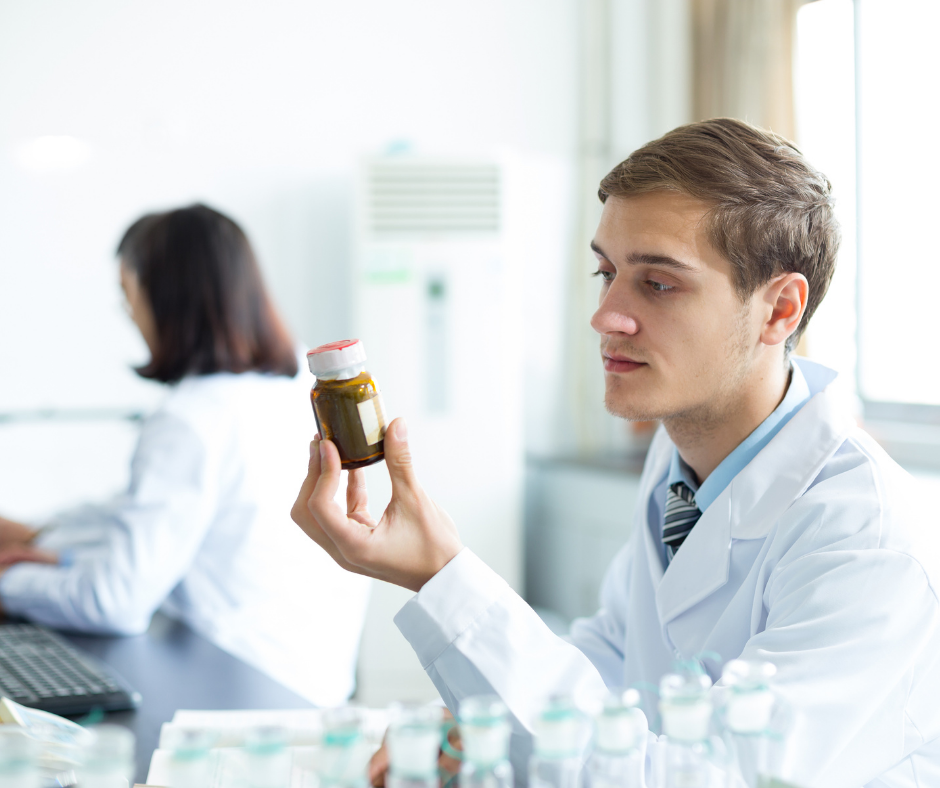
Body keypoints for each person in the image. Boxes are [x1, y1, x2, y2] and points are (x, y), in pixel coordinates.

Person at [291, 119, 940, 785]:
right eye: (607, 272)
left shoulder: (866, 543)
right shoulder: (683, 458)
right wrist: (477, 718)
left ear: (779, 311)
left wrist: (443, 576)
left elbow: (699, 778)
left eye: (658, 283)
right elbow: (618, 655)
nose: (606, 315)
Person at [0, 204, 371, 706]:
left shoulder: (191, 417)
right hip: (316, 686)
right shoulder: (297, 387)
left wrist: (12, 578)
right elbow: (147, 512)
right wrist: (46, 534)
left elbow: (115, 601)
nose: (130, 315)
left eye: (128, 297)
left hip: (239, 698)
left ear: (167, 299)